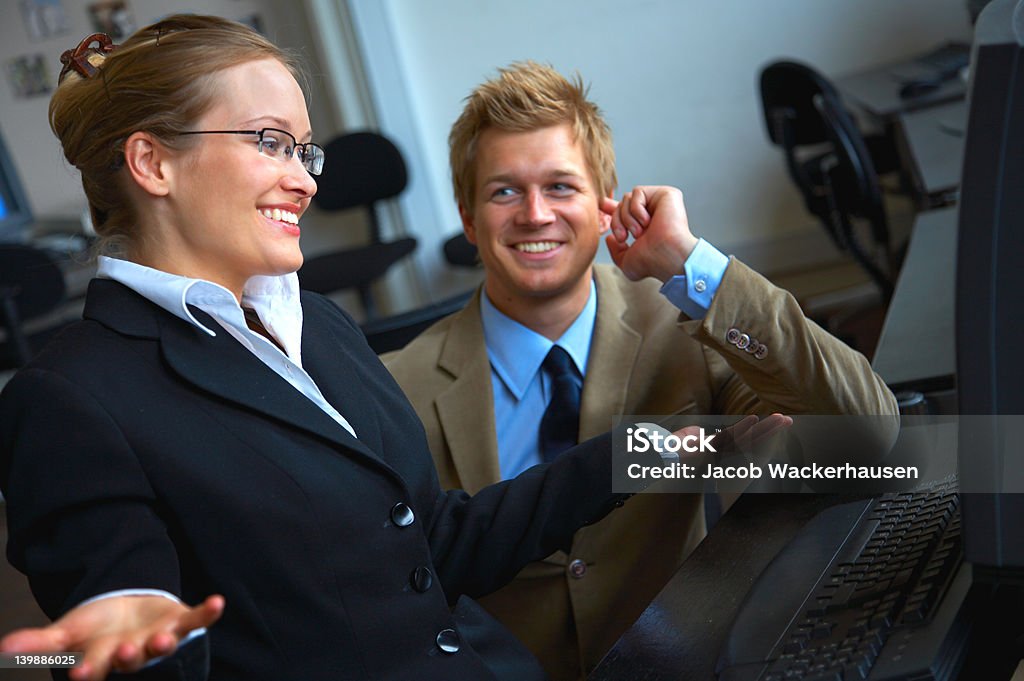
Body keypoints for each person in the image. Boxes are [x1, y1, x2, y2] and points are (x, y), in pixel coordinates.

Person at [0, 17, 788, 681]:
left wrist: (633, 454)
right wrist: (143, 639)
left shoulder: (315, 323)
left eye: (304, 151)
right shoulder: (70, 397)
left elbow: (433, 543)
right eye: (273, 142)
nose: (305, 181)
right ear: (151, 162)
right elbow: (130, 623)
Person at [382, 62, 899, 680]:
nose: (535, 214)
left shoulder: (687, 330)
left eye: (561, 187)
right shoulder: (396, 385)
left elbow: (867, 432)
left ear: (606, 208)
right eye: (504, 192)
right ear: (468, 218)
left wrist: (689, 262)